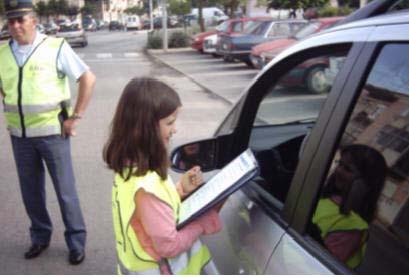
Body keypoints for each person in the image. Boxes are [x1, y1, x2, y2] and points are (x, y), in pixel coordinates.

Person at [0, 0, 95, 265]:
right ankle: (40, 237)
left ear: (34, 20)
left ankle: (76, 242)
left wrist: (75, 117)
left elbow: (88, 78)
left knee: (65, 191)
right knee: (31, 192)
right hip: (20, 136)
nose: (16, 26)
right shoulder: (2, 53)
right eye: (11, 21)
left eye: (21, 20)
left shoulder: (55, 47)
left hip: (54, 134)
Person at [103, 77, 222, 274]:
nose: (174, 129)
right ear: (146, 129)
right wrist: (201, 224)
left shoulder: (132, 170)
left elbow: (151, 214)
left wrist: (180, 190)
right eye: (170, 123)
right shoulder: (146, 188)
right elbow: (169, 246)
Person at [311, 144, 387, 269]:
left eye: (348, 169)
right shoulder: (325, 198)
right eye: (340, 164)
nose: (338, 170)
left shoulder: (353, 227)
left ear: (366, 183)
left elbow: (319, 267)